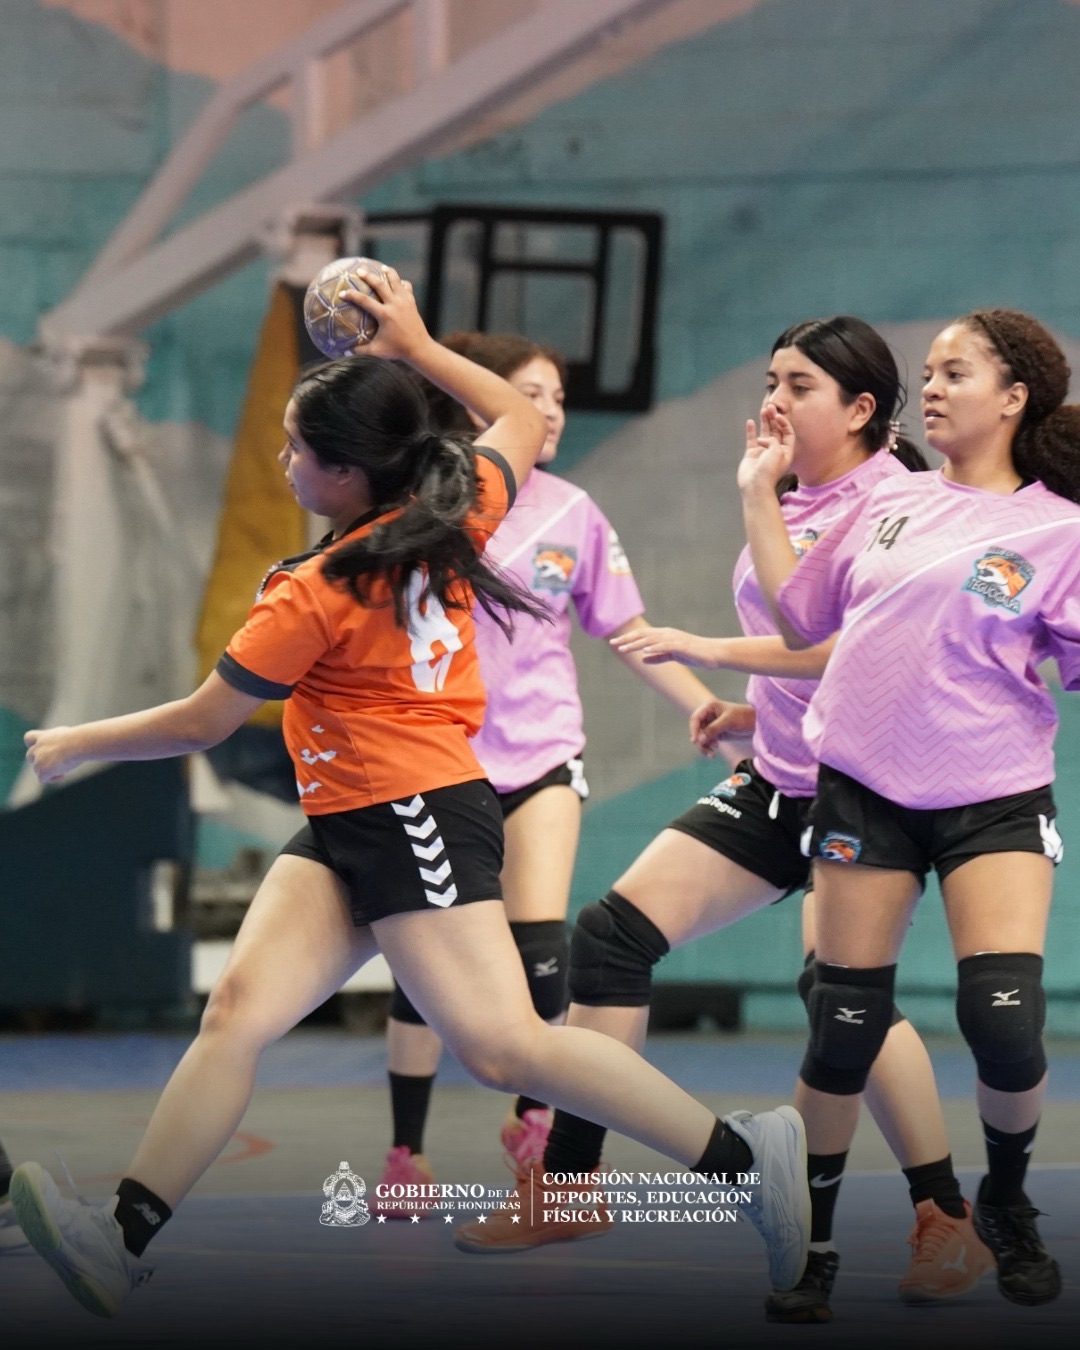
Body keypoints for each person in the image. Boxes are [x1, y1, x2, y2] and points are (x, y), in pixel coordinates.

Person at [10, 265, 809, 1318]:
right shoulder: (459, 505)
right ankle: (121, 1236)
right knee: (238, 1015)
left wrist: (73, 742)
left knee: (507, 1045)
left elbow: (204, 720)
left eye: (299, 450)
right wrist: (420, 342)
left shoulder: (319, 591)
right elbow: (518, 414)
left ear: (346, 475)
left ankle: (746, 1162)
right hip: (348, 821)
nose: (286, 459)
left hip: (416, 816)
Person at [453, 316, 993, 1322]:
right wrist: (751, 711)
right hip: (780, 782)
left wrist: (713, 638)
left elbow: (837, 645)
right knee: (610, 940)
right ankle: (570, 1185)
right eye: (772, 378)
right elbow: (804, 650)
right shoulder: (794, 491)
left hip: (861, 792)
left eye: (799, 385)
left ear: (862, 409)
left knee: (845, 998)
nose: (775, 400)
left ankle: (945, 1215)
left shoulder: (900, 505)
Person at [737, 307, 1080, 1310]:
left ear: (1014, 397)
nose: (929, 387)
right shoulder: (889, 504)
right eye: (926, 372)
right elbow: (802, 614)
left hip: (993, 797)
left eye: (954, 371)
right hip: (862, 788)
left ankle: (1005, 1204)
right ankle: (814, 1250)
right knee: (843, 1026)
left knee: (1003, 1020)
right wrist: (759, 492)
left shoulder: (1062, 529)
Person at [375, 330, 720, 1214]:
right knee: (431, 967)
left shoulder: (576, 513)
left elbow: (627, 628)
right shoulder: (425, 504)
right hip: (439, 765)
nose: (553, 409)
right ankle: (404, 1155)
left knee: (540, 952)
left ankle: (536, 1124)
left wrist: (699, 702)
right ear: (475, 401)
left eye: (559, 395)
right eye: (534, 392)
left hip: (542, 757)